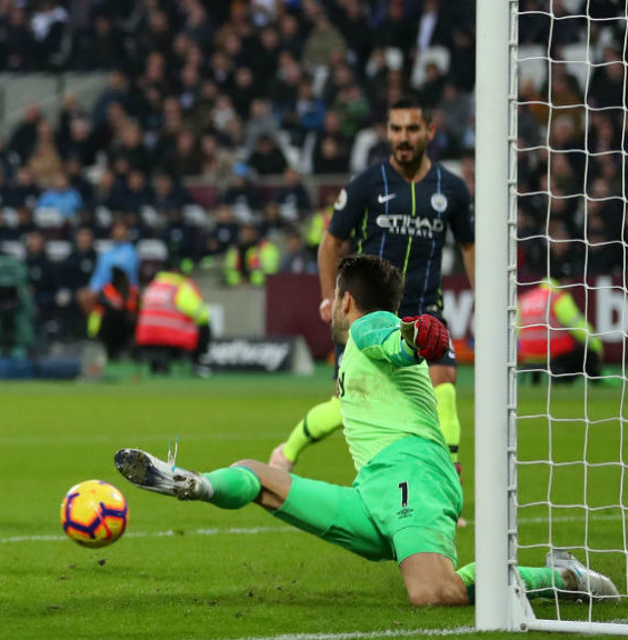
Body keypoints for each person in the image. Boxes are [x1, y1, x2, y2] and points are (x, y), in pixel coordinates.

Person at [114, 255, 617, 606]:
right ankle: (191, 483)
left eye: (333, 297)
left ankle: (561, 574)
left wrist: (417, 335)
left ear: (349, 301)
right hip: (373, 489)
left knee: (434, 594)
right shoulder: (357, 356)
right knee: (257, 476)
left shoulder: (368, 327)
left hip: (412, 476)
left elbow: (396, 338)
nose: (327, 307)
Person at [270, 94, 475, 487]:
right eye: (396, 129)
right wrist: (331, 298)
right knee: (346, 404)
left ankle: (448, 480)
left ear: (429, 131)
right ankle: (288, 451)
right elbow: (330, 241)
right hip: (370, 314)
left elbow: (469, 245)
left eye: (412, 129)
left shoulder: (451, 189)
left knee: (443, 381)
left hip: (424, 309)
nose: (403, 137)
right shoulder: (367, 183)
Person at [517, 279, 603, 381]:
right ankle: (589, 383)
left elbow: (517, 330)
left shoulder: (524, 298)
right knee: (587, 354)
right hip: (554, 353)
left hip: (527, 354)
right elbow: (579, 327)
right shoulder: (559, 298)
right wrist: (597, 347)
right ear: (563, 281)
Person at [135, 267, 211, 376]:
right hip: (170, 335)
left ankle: (158, 365)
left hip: (145, 335)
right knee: (204, 326)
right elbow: (202, 315)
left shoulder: (153, 285)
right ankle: (198, 364)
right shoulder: (181, 286)